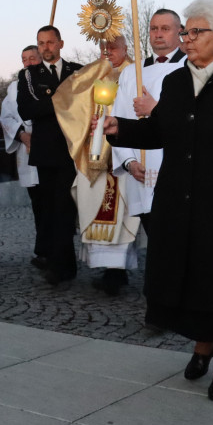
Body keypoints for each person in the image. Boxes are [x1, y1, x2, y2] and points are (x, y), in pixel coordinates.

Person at [96, 0, 213, 402]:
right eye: (185, 31)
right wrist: (120, 129)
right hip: (179, 201)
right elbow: (162, 133)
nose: (186, 38)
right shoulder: (176, 82)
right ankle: (203, 342)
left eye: (195, 31)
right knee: (193, 280)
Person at [53, 35, 140, 296]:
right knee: (95, 206)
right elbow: (69, 99)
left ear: (126, 49)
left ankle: (117, 272)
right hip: (95, 151)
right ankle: (108, 270)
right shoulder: (94, 72)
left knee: (123, 211)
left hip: (123, 152)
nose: (108, 52)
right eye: (104, 47)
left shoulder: (136, 73)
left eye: (113, 47)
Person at [111, 9, 187, 238]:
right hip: (141, 172)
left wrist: (155, 108)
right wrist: (129, 162)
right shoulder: (131, 74)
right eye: (154, 28)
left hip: (177, 168)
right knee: (156, 240)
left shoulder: (191, 69)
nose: (158, 34)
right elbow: (119, 120)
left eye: (165, 28)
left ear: (179, 31)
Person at [17, 25, 84, 284]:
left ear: (60, 43)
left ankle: (65, 264)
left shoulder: (77, 71)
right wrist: (62, 100)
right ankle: (57, 264)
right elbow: (27, 109)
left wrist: (55, 101)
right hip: (46, 152)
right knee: (50, 210)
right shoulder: (30, 75)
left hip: (74, 149)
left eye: (50, 42)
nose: (46, 47)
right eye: (41, 43)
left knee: (67, 208)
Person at [0, 45, 45, 267]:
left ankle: (56, 248)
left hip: (50, 149)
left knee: (53, 201)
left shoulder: (51, 82)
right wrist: (21, 135)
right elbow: (6, 116)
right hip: (26, 150)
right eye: (24, 59)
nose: (28, 63)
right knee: (37, 201)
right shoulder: (14, 88)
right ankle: (42, 248)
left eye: (32, 58)